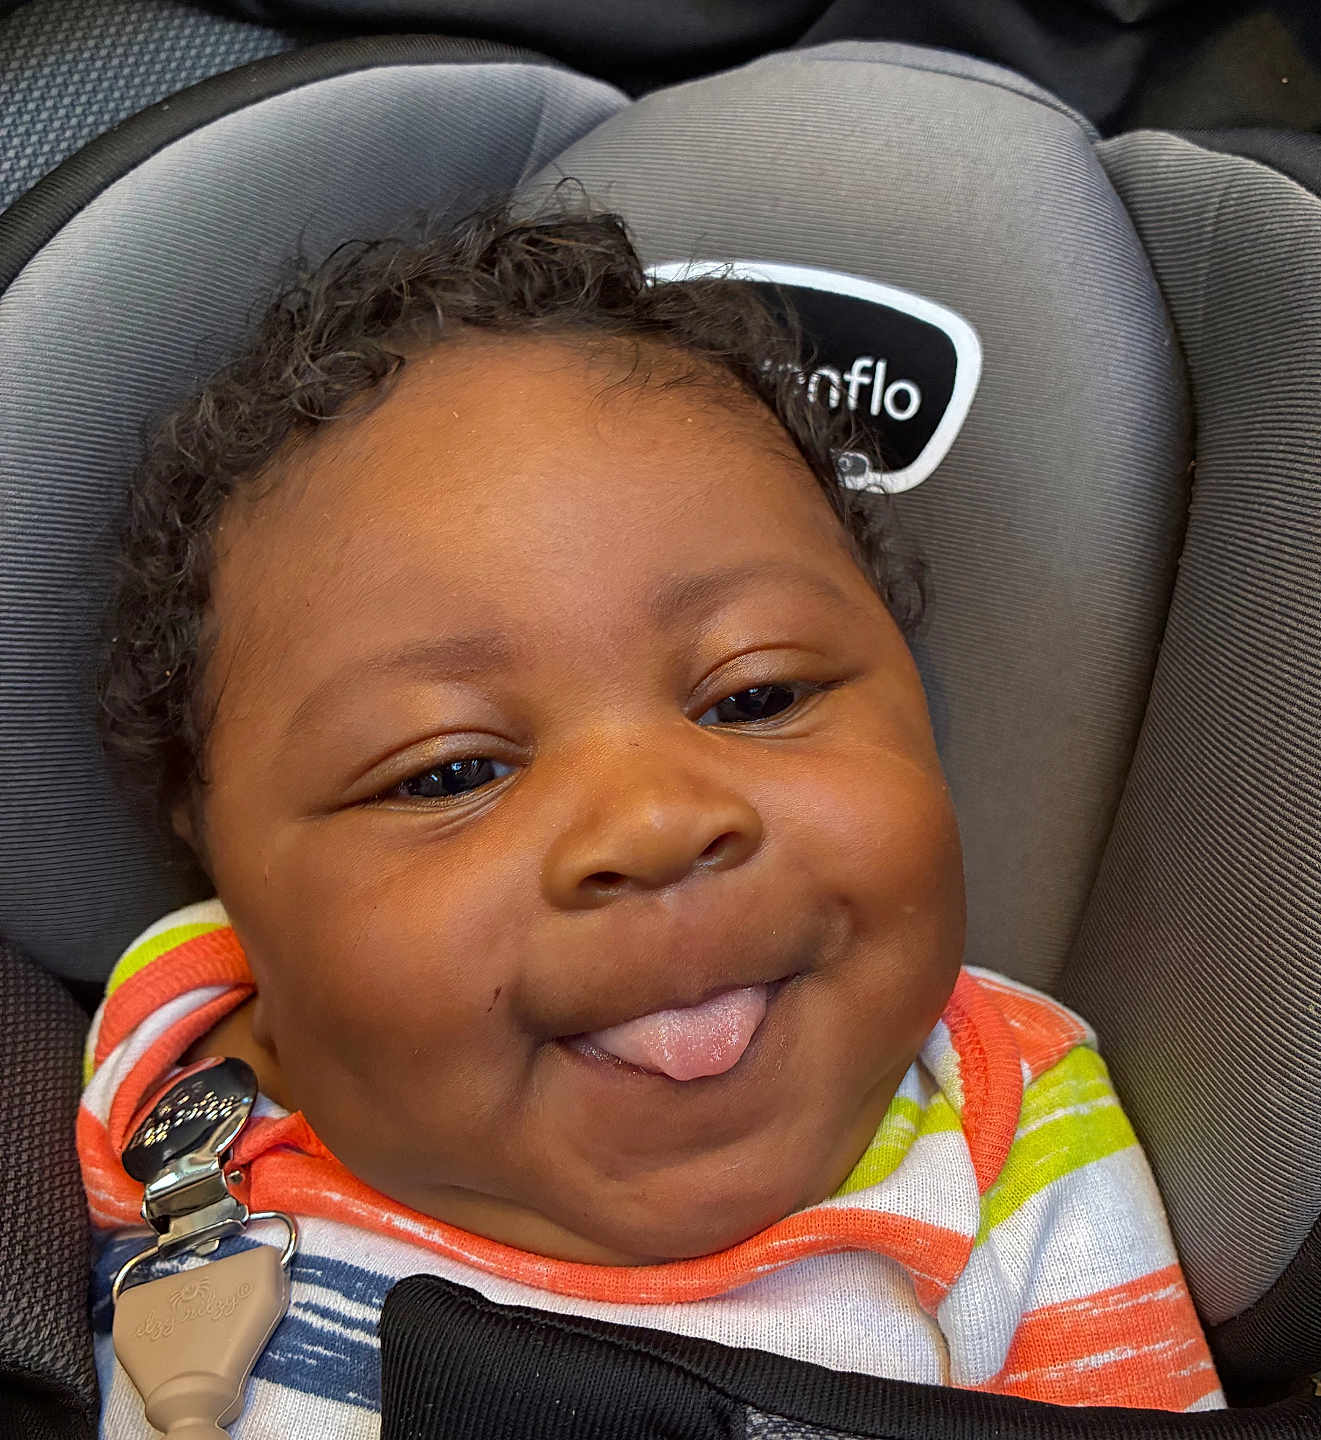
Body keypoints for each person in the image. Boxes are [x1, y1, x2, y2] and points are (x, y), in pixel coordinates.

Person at [78, 197, 1224, 1436]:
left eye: (757, 694)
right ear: (231, 870)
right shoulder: (167, 1049)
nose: (657, 820)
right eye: (450, 772)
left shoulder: (1010, 1134)